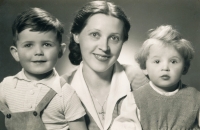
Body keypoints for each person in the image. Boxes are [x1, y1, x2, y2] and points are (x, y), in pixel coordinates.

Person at [62, 1, 148, 130]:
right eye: (95, 35)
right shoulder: (61, 87)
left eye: (114, 38)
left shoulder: (140, 80)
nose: (104, 47)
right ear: (77, 36)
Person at [0, 7, 87, 130]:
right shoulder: (6, 86)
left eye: (47, 44)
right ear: (16, 53)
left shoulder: (65, 94)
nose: (38, 52)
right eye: (28, 45)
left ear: (60, 51)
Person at [111, 25, 200, 130]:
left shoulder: (195, 97)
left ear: (185, 68)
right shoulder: (134, 100)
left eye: (173, 61)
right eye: (157, 61)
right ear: (144, 67)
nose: (165, 67)